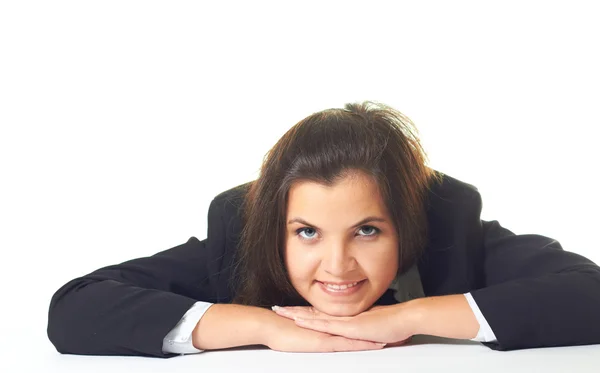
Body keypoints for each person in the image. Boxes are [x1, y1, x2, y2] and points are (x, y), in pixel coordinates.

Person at [47, 101, 600, 358]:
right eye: (307, 233)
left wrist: (406, 316)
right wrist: (266, 328)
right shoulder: (238, 236)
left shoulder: (452, 227)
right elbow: (76, 308)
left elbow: (589, 293)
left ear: (408, 226)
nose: (337, 267)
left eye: (366, 231)